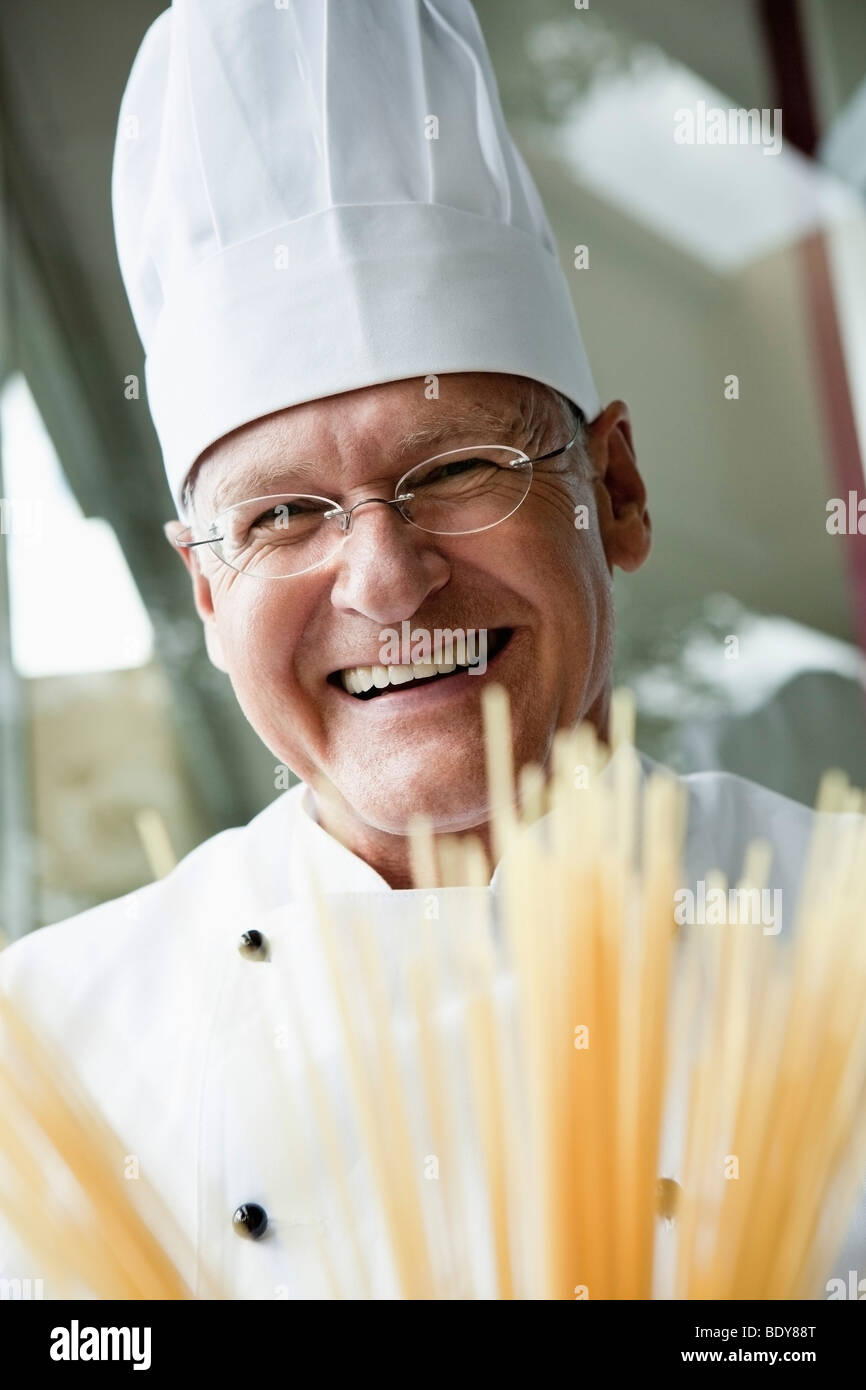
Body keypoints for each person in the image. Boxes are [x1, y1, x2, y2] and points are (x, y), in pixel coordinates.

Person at [1, 0, 863, 1298]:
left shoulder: (843, 937)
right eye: (283, 515)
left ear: (614, 491)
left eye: (458, 467)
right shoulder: (40, 1065)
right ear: (203, 593)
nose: (387, 579)